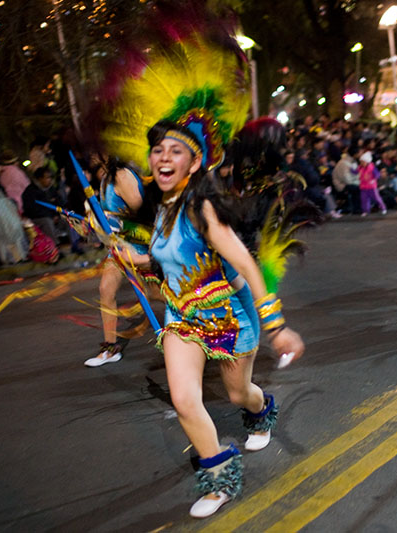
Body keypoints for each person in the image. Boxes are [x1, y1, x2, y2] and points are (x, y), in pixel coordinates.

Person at [140, 119, 304, 518]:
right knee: (184, 400)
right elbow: (171, 259)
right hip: (181, 317)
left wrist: (277, 327)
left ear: (194, 163)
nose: (164, 158)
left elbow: (247, 265)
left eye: (174, 151)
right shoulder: (159, 207)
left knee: (236, 394)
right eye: (158, 150)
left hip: (227, 315)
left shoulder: (203, 208)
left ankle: (260, 409)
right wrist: (139, 260)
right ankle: (220, 478)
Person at [84, 159, 153, 367]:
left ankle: (201, 324)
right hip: (118, 247)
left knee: (158, 294)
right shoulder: (106, 177)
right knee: (106, 289)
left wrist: (114, 221)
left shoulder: (122, 175)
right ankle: (110, 348)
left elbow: (145, 213)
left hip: (138, 246)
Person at [357, 151, 387, 216]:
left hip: (372, 187)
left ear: (367, 162)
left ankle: (383, 208)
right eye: (361, 161)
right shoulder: (360, 167)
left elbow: (377, 174)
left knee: (377, 198)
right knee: (364, 199)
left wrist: (374, 179)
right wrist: (351, 170)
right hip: (363, 187)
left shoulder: (372, 167)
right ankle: (365, 210)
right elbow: (355, 171)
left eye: (363, 161)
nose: (361, 163)